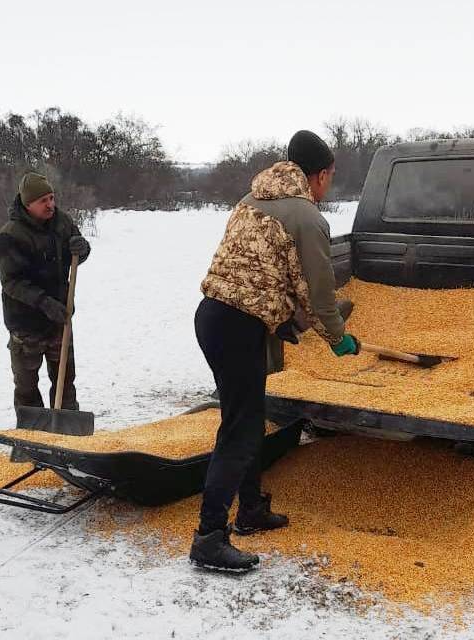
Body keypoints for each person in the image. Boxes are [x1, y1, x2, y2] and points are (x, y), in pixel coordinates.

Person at [190, 130, 360, 572]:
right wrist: (338, 338)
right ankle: (209, 537)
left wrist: (286, 319)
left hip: (212, 317)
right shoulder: (308, 217)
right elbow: (321, 296)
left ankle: (249, 510)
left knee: (246, 416)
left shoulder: (250, 199)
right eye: (330, 178)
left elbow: (265, 272)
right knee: (240, 430)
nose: (328, 187)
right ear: (319, 175)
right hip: (238, 327)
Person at [0, 172, 91, 410]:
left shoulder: (62, 223)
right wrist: (45, 303)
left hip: (60, 319)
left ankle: (68, 433)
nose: (50, 205)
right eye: (43, 201)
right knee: (27, 387)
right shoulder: (10, 236)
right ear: (28, 205)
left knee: (65, 382)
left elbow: (76, 255)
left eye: (51, 198)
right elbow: (12, 282)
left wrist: (83, 248)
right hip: (26, 325)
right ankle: (32, 437)